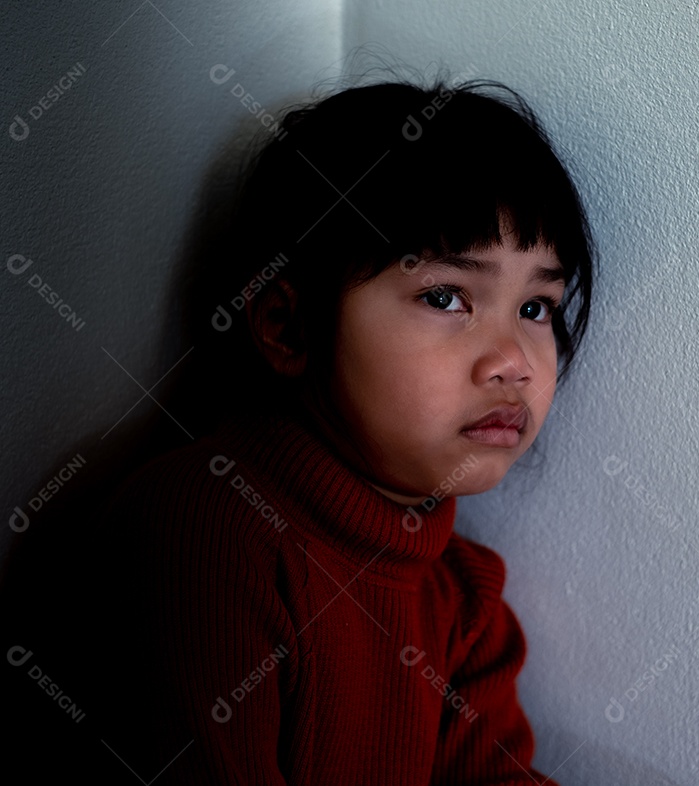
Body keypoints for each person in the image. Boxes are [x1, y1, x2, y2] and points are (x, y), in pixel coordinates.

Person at [78, 74, 595, 783]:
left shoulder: (464, 602)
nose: (514, 362)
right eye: (446, 296)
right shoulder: (204, 531)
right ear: (289, 326)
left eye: (536, 307)